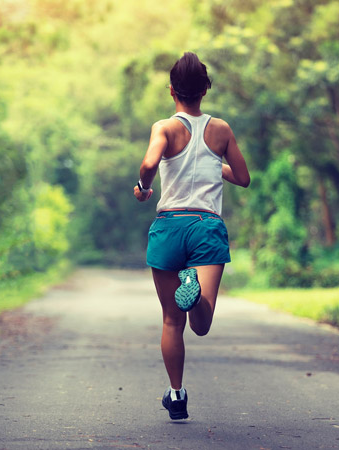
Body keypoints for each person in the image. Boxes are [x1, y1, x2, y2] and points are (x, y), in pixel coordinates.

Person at [133, 52, 250, 421]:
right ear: (206, 89)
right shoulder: (222, 130)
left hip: (169, 226)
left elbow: (150, 163)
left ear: (172, 91)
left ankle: (177, 395)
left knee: (171, 321)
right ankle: (195, 294)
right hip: (206, 226)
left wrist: (142, 186)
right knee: (201, 325)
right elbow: (244, 178)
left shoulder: (164, 128)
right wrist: (217, 164)